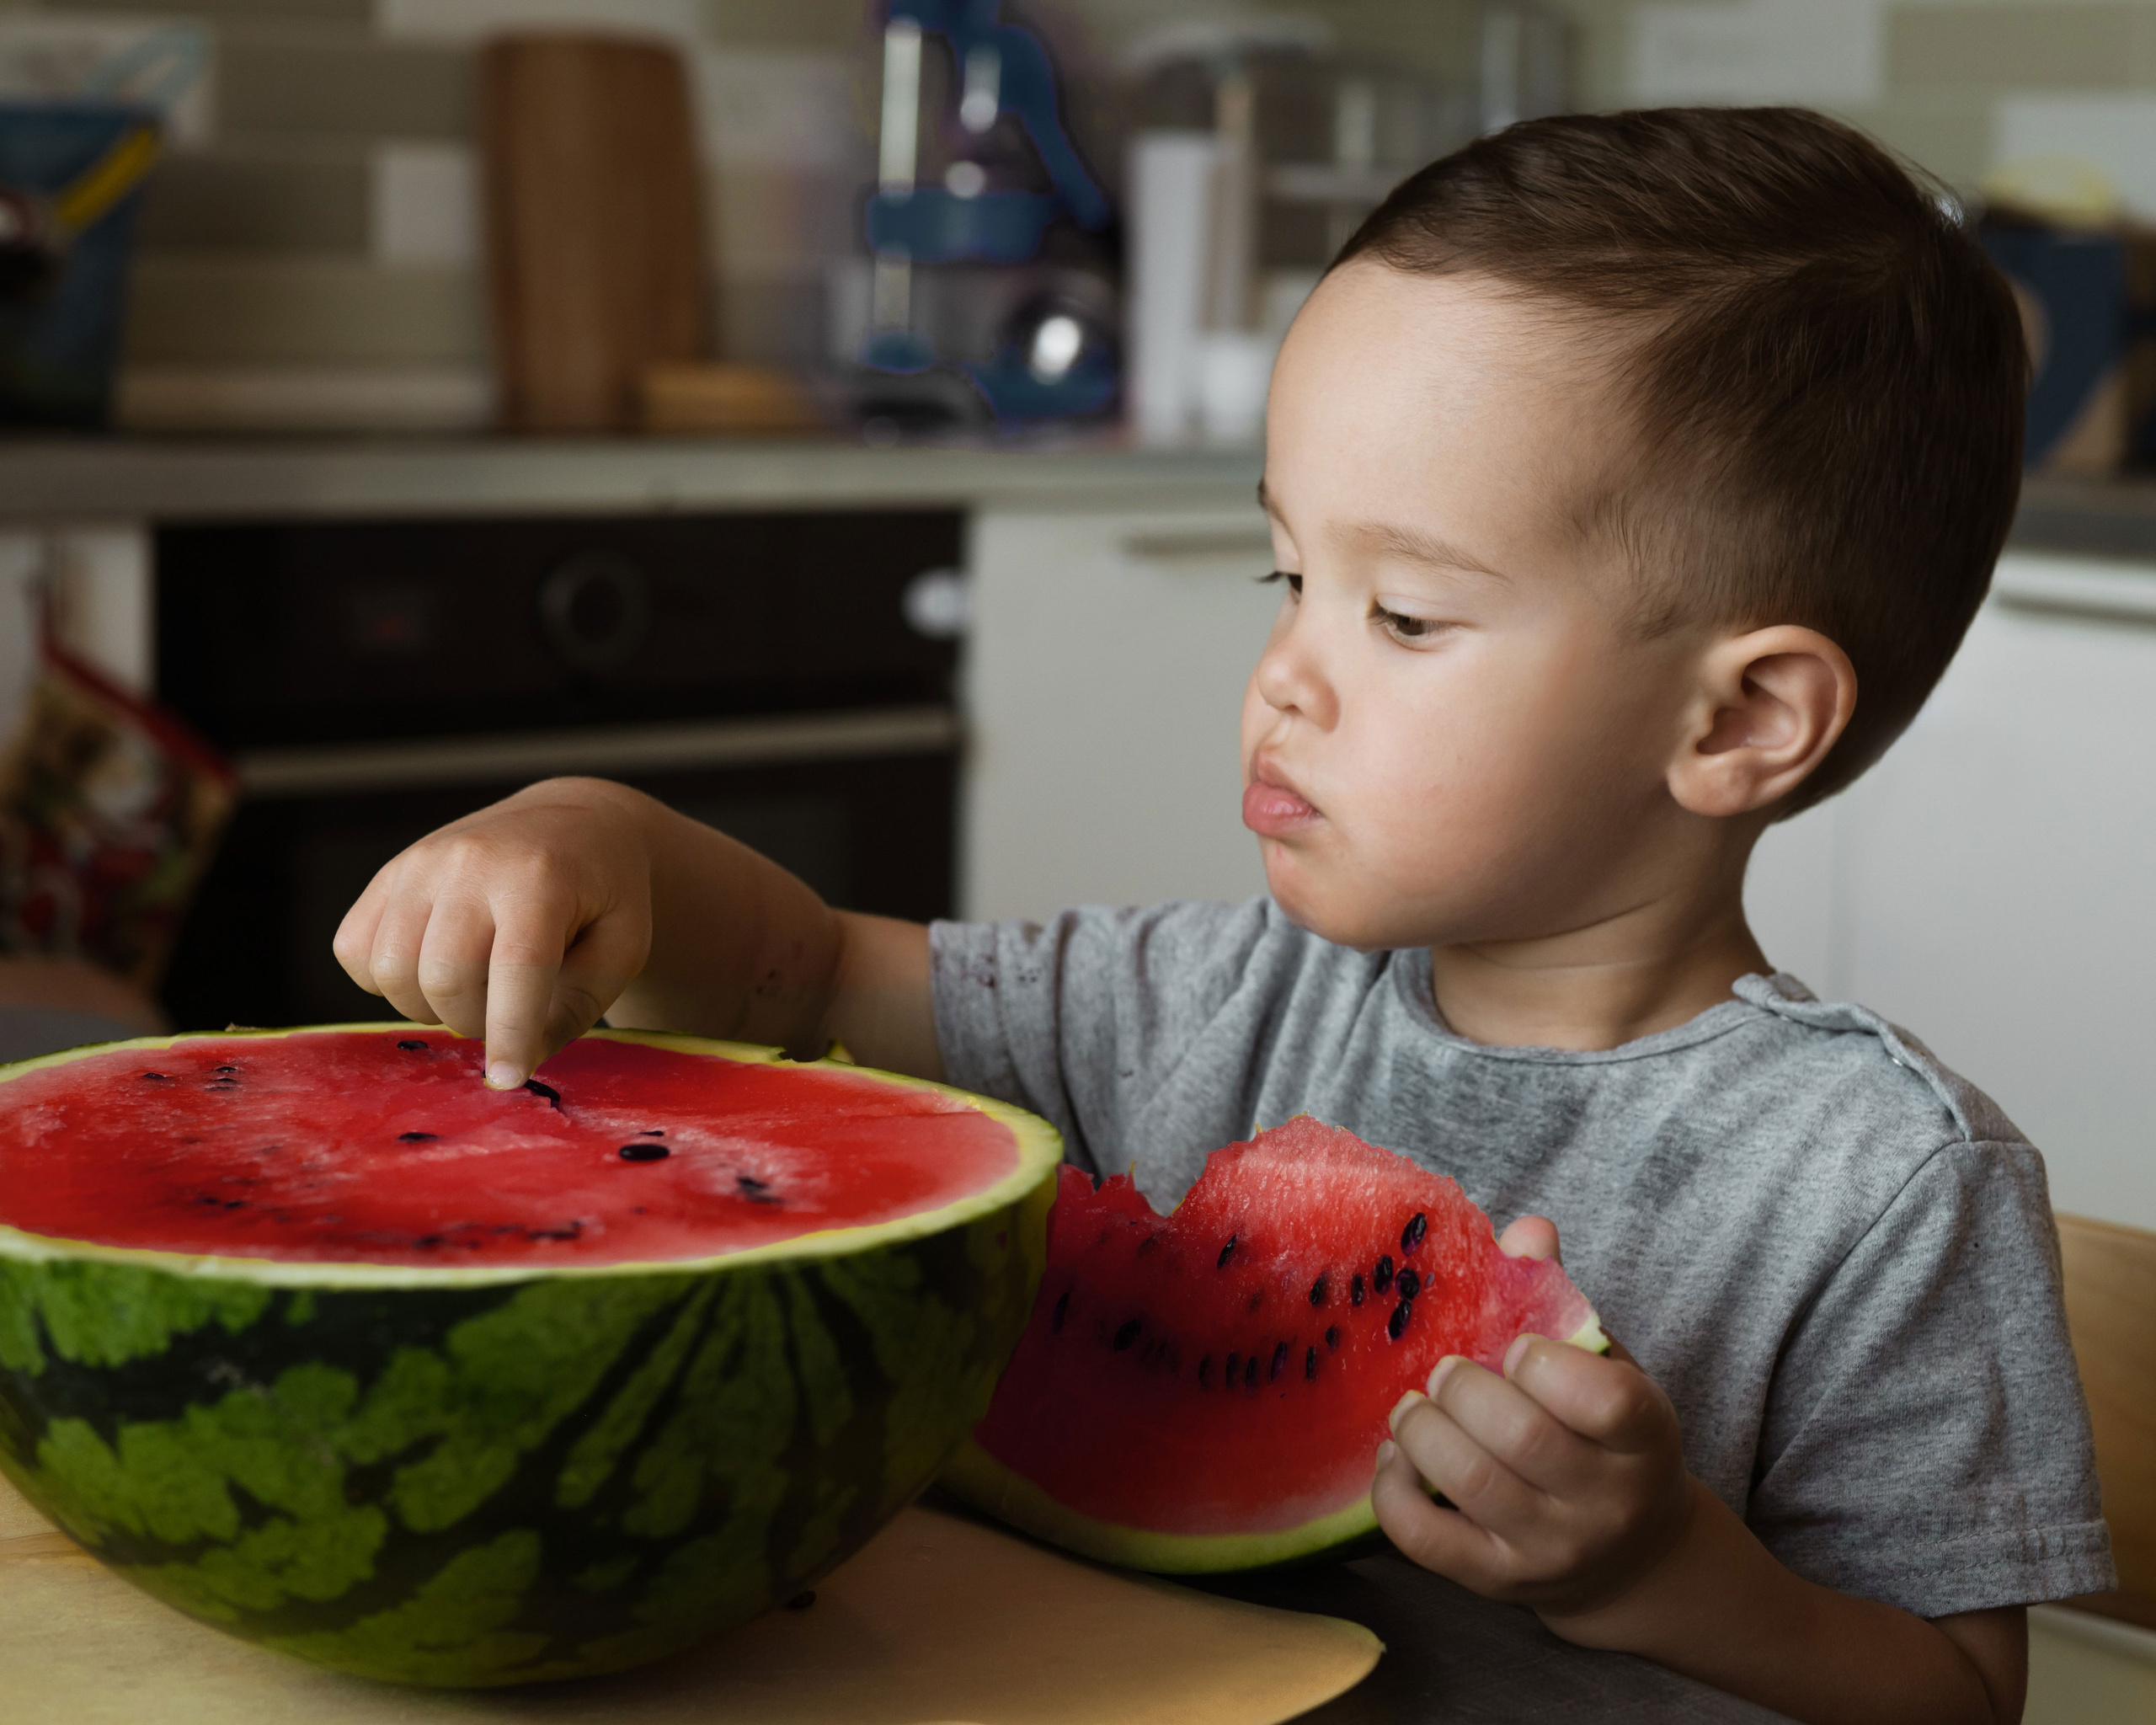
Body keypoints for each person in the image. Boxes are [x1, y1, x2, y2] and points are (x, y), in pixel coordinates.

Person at [332, 109, 2109, 1725]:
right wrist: (596, 834)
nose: (1281, 676)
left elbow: (1955, 1694)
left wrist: (1663, 1578)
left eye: (1401, 616)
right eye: (1288, 573)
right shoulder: (1210, 996)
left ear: (1737, 722)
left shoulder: (1885, 1182)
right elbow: (800, 974)